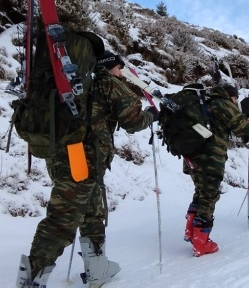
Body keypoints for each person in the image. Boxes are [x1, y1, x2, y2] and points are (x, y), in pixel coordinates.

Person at [18, 52, 157, 287]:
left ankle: (97, 268)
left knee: (93, 212)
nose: (121, 73)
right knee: (63, 218)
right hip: (85, 159)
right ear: (112, 66)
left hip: (61, 155)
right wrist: (151, 115)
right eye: (119, 68)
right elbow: (132, 121)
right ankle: (31, 281)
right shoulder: (108, 82)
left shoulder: (74, 83)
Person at [184, 83, 249, 256]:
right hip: (210, 158)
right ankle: (201, 242)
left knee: (201, 192)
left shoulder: (204, 102)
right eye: (236, 98)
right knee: (209, 196)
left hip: (192, 156)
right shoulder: (223, 103)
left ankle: (190, 231)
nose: (236, 101)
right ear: (230, 96)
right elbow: (241, 128)